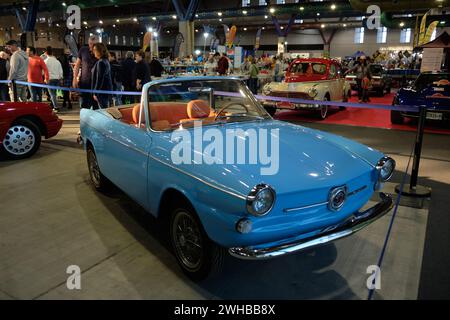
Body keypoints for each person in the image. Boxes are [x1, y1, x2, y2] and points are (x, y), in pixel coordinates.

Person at [73, 35, 98, 108]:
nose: (92, 46)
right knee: (84, 107)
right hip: (84, 83)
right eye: (90, 44)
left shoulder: (100, 52)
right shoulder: (83, 50)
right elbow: (77, 65)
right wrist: (74, 78)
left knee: (97, 109)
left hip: (96, 85)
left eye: (94, 45)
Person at [91, 43, 113, 109]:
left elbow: (99, 79)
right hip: (105, 91)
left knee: (103, 111)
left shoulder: (101, 62)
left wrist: (96, 93)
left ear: (99, 51)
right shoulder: (105, 61)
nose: (93, 52)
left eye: (95, 50)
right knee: (105, 110)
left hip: (102, 92)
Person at [44, 46, 63, 111]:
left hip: (49, 79)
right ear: (52, 52)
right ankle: (53, 105)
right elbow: (61, 71)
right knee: (54, 94)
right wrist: (61, 79)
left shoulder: (45, 61)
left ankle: (56, 107)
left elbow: (43, 72)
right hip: (57, 79)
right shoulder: (57, 61)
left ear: (46, 53)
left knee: (52, 94)